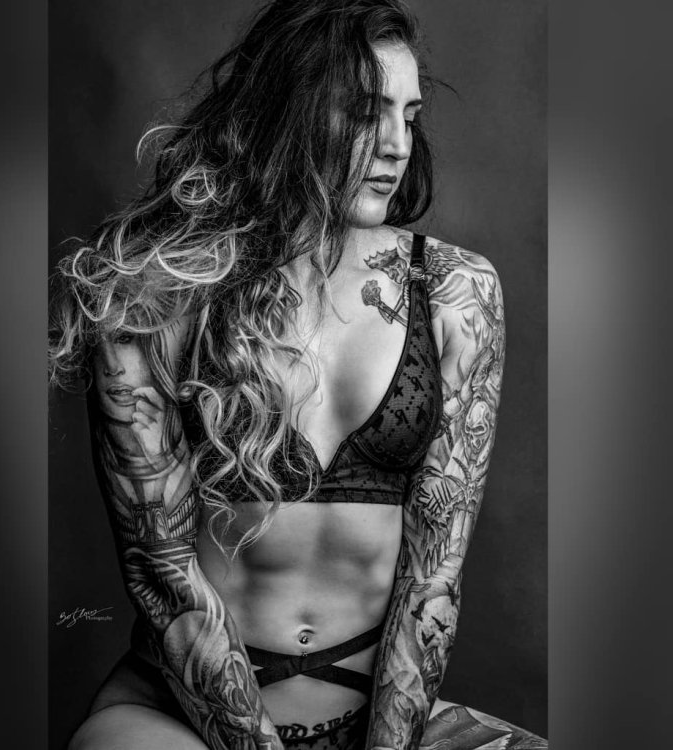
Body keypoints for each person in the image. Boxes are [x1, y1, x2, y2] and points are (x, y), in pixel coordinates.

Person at [49, 1, 547, 748]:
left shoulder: (453, 292)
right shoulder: (154, 298)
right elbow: (162, 573)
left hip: (378, 724)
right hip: (183, 721)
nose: (396, 145)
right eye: (367, 113)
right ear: (290, 110)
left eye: (409, 116)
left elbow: (432, 582)